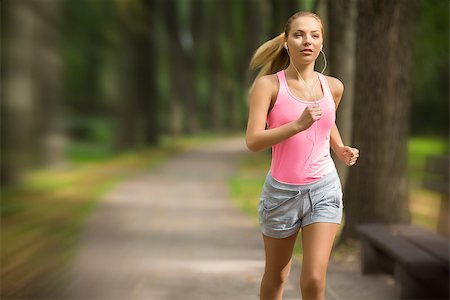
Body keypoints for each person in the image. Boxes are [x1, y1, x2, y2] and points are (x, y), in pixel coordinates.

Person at [245, 11, 360, 300]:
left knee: (313, 281)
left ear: (321, 42)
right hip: (281, 194)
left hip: (324, 189)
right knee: (277, 276)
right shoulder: (268, 86)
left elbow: (326, 119)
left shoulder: (333, 87)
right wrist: (296, 126)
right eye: (298, 34)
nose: (306, 41)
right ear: (286, 42)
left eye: (314, 35)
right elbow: (253, 140)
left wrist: (339, 147)